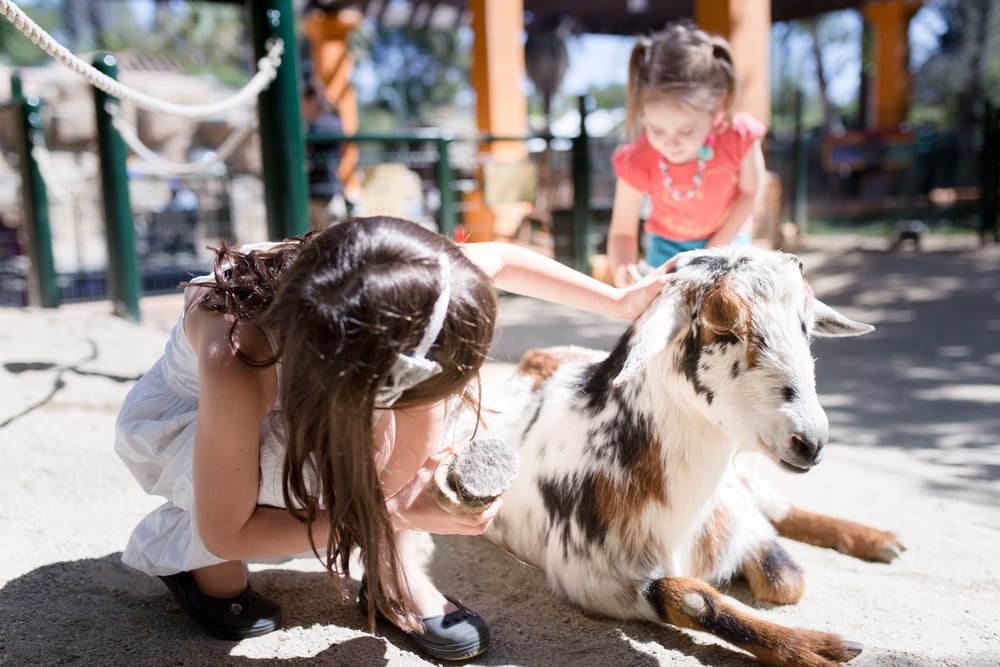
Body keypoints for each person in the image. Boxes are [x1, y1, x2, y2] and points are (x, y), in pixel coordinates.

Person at [114, 216, 671, 661]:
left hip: (338, 371)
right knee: (270, 492)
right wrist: (390, 511)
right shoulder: (237, 356)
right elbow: (228, 528)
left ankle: (390, 570)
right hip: (200, 419)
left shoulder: (410, 276)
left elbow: (500, 258)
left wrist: (617, 303)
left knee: (422, 404)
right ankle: (197, 571)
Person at [606, 21, 767, 287]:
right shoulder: (638, 158)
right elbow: (623, 232)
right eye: (657, 129)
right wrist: (624, 272)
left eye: (686, 129)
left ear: (717, 105)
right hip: (666, 256)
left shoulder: (738, 136)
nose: (671, 142)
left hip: (730, 247)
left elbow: (750, 193)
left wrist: (711, 253)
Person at [301, 82, 346, 229]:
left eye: (303, 103)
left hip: (321, 197)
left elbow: (307, 159)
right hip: (331, 191)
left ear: (312, 101)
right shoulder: (334, 121)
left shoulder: (318, 126)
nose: (302, 108)